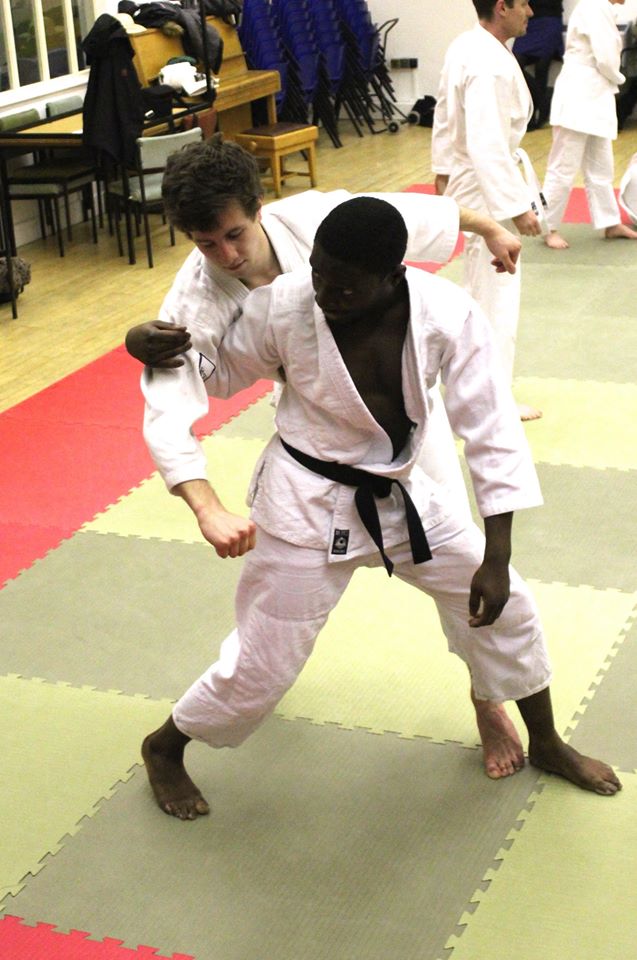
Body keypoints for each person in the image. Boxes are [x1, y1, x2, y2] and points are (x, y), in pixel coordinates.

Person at [141, 197, 621, 820]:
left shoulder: (446, 314)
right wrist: (146, 344)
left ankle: (548, 741)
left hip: (402, 495)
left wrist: (497, 554)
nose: (324, 293)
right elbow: (216, 374)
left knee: (510, 605)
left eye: (343, 285)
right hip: (304, 506)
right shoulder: (284, 304)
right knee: (263, 664)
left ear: (395, 276)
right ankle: (165, 746)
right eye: (317, 273)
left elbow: (491, 429)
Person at [128, 137, 529, 780]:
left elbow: (406, 216)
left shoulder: (313, 219)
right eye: (207, 244)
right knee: (273, 618)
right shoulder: (196, 299)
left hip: (403, 426)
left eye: (235, 234)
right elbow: (178, 394)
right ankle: (245, 680)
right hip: (317, 426)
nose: (227, 256)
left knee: (470, 579)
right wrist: (204, 503)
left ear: (259, 207)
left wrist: (486, 226)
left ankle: (488, 699)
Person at [432, 0, 543, 422]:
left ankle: (469, 387)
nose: (530, 12)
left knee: (478, 290)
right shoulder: (489, 65)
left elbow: (445, 119)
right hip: (484, 187)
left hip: (471, 180)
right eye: (524, 4)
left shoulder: (468, 45)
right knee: (496, 293)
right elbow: (486, 143)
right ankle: (491, 398)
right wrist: (516, 208)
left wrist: (441, 171)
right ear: (502, 7)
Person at [542, 0, 637, 249]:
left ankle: (609, 222)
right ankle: (547, 225)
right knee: (563, 165)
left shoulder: (599, 7)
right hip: (579, 93)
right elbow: (606, 58)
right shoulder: (594, 6)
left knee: (601, 165)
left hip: (595, 94)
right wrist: (620, 78)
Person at [513, 0, 564, 130]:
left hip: (550, 18)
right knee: (515, 64)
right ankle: (541, 103)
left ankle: (538, 115)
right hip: (530, 20)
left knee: (542, 67)